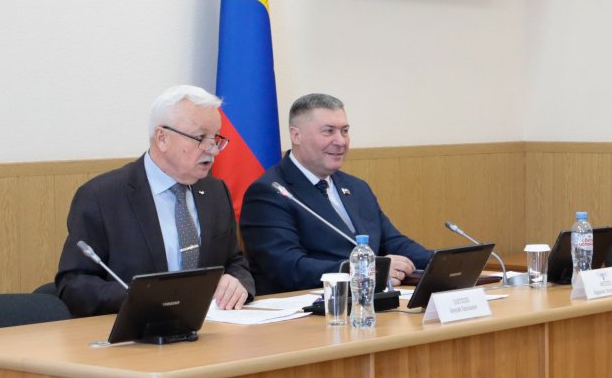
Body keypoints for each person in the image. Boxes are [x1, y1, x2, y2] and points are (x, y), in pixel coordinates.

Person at [53, 85, 256, 317]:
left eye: (216, 138)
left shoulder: (215, 191)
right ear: (162, 138)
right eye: (201, 138)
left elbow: (235, 262)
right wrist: (141, 298)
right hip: (135, 330)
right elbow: (73, 284)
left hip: (210, 328)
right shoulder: (101, 196)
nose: (213, 150)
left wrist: (237, 282)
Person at [239, 93, 435, 295]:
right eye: (328, 131)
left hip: (366, 302)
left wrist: (441, 261)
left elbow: (393, 242)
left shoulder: (357, 187)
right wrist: (366, 271)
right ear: (296, 135)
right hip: (310, 305)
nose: (340, 141)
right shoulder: (269, 192)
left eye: (345, 131)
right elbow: (288, 268)